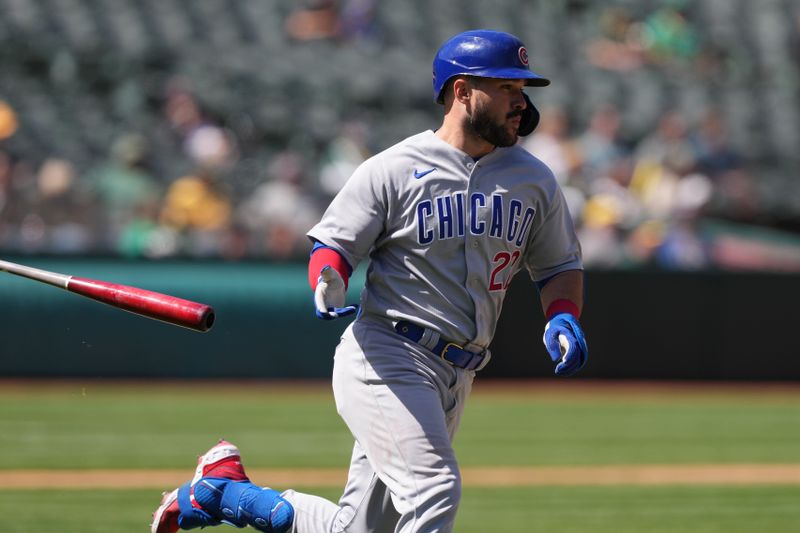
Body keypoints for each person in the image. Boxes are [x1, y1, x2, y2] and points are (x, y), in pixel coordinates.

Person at [151, 29, 588, 533]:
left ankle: (223, 492)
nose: (521, 101)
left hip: (459, 373)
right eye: (507, 87)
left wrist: (562, 315)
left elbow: (558, 266)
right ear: (462, 90)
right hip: (389, 355)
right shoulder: (394, 168)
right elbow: (334, 245)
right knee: (434, 489)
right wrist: (329, 279)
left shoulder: (534, 179)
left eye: (521, 89)